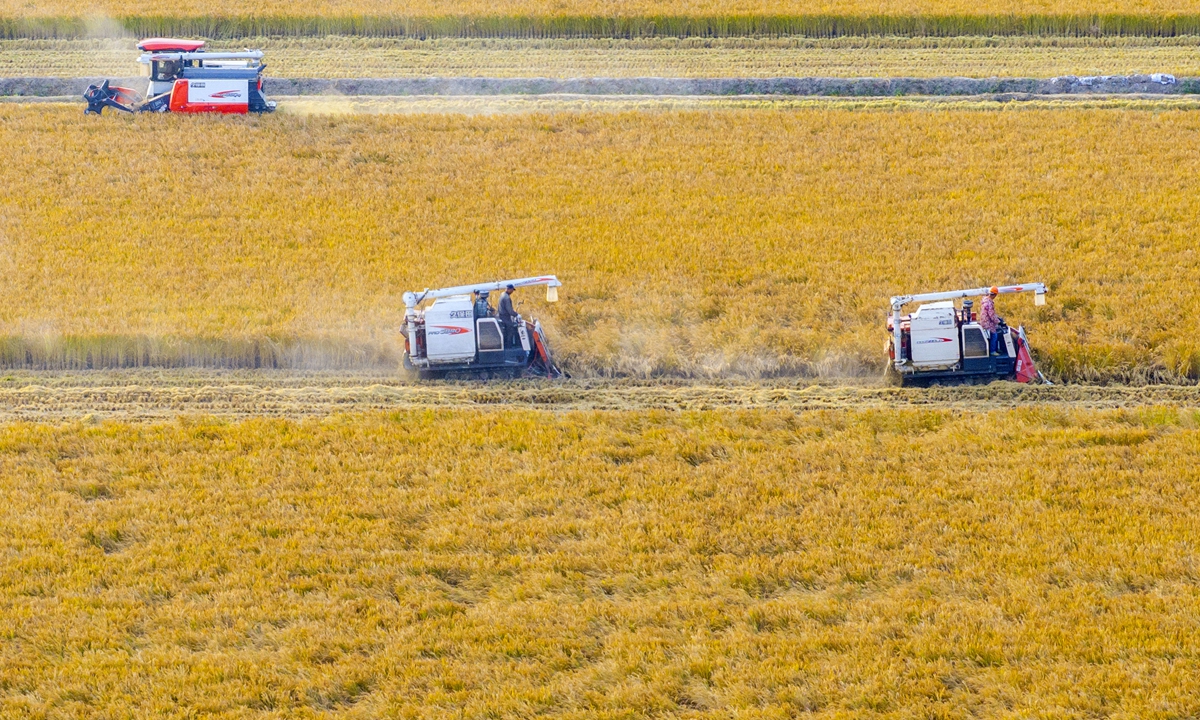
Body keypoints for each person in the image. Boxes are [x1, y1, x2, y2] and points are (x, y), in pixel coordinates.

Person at [979, 286, 1001, 355]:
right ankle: (992, 351)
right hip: (987, 322)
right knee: (994, 335)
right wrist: (998, 321)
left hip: (983, 321)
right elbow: (991, 315)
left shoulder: (985, 300)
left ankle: (995, 349)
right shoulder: (989, 303)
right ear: (994, 295)